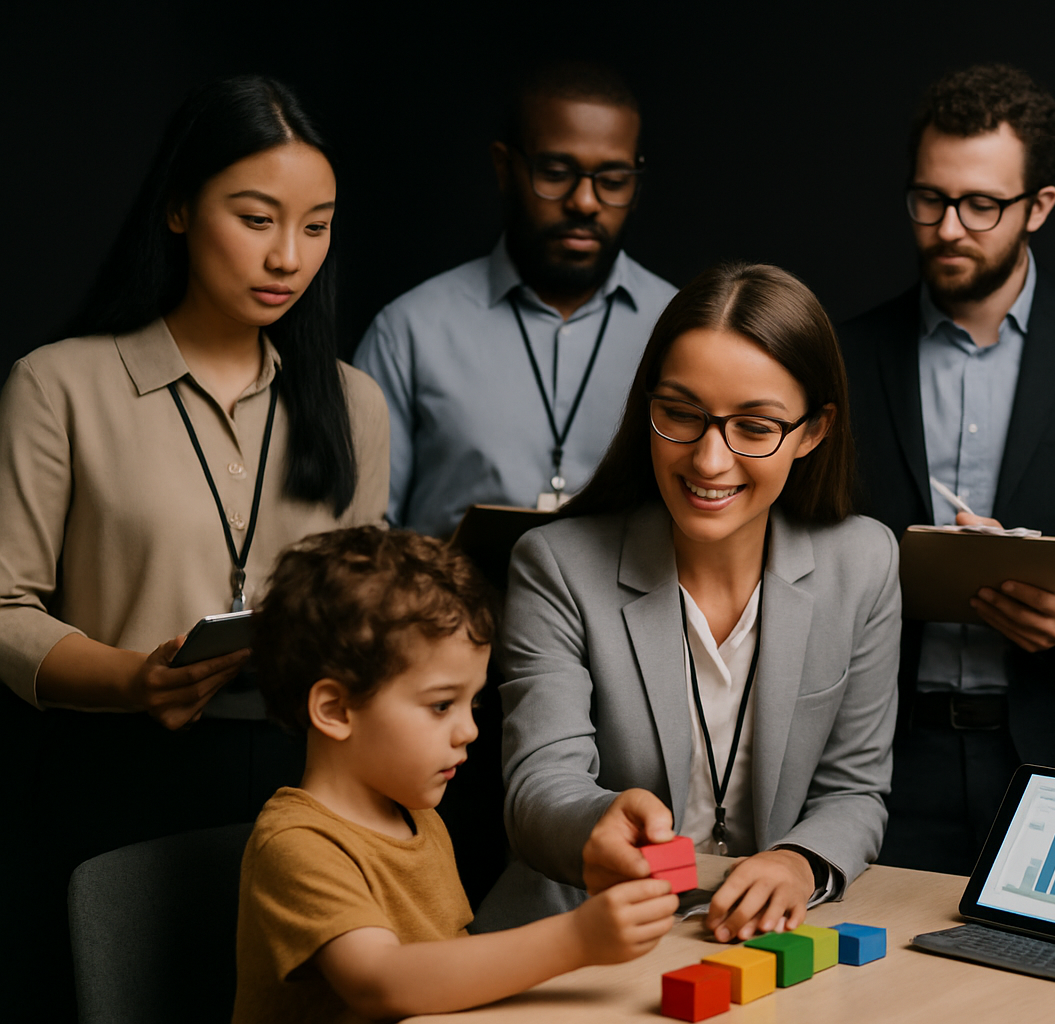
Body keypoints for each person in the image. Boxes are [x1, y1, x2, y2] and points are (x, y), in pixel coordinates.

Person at [0, 75, 388, 1014]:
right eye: (255, 218)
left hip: (308, 786)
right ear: (178, 208)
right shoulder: (60, 385)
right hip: (116, 773)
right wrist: (136, 678)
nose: (288, 256)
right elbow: (4, 609)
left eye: (316, 225)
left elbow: (367, 611)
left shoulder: (350, 401)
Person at [474, 263, 901, 941]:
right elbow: (538, 790)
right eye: (679, 414)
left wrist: (797, 863)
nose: (708, 461)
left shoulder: (865, 561)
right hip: (581, 940)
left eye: (755, 428)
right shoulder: (555, 564)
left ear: (814, 431)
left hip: (761, 938)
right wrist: (598, 820)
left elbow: (854, 789)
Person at [838, 64, 1055, 876]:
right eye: (929, 199)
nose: (949, 227)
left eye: (982, 205)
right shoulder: (845, 355)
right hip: (880, 761)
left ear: (1040, 206)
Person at [235, 527, 676, 1022]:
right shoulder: (298, 843)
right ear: (336, 709)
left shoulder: (420, 818)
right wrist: (576, 938)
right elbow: (381, 983)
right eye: (441, 704)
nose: (468, 730)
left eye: (474, 703)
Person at [353, 59, 676, 536]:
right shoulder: (408, 331)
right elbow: (360, 538)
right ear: (505, 167)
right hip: (448, 611)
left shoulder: (682, 327)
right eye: (556, 171)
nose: (584, 202)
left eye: (612, 180)